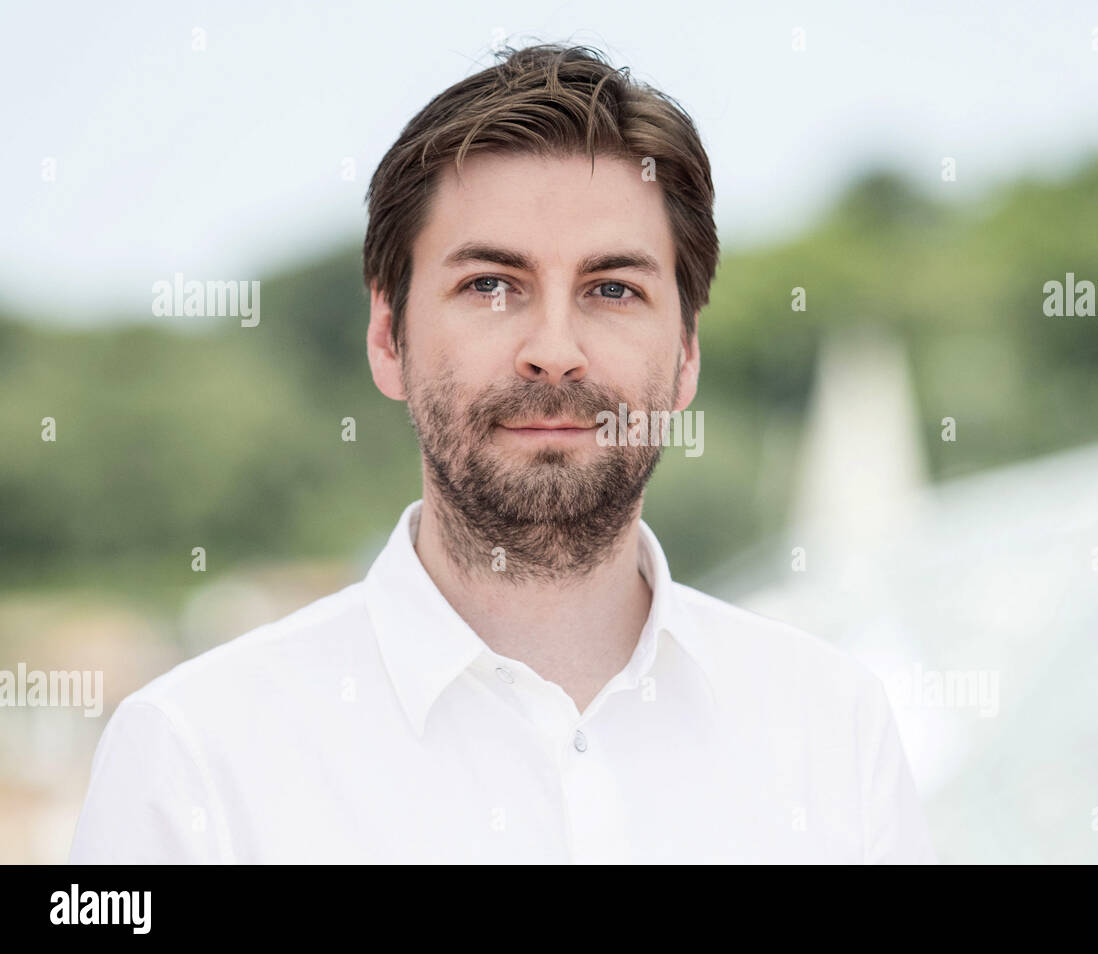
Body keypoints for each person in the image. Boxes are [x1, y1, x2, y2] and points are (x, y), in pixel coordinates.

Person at [68, 43, 936, 864]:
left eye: (611, 288)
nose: (553, 348)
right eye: (490, 285)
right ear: (385, 335)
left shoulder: (834, 729)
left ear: (688, 355)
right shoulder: (192, 760)